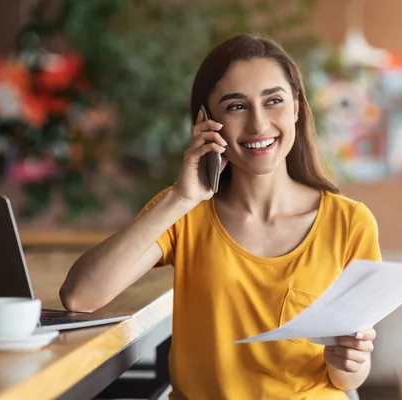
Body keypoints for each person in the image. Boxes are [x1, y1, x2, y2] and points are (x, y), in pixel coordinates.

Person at [60, 33, 381, 400]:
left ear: (295, 108)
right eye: (236, 106)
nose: (259, 124)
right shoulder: (184, 211)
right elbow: (79, 296)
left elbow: (348, 380)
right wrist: (182, 197)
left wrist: (349, 361)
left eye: (273, 101)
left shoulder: (351, 223)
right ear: (206, 122)